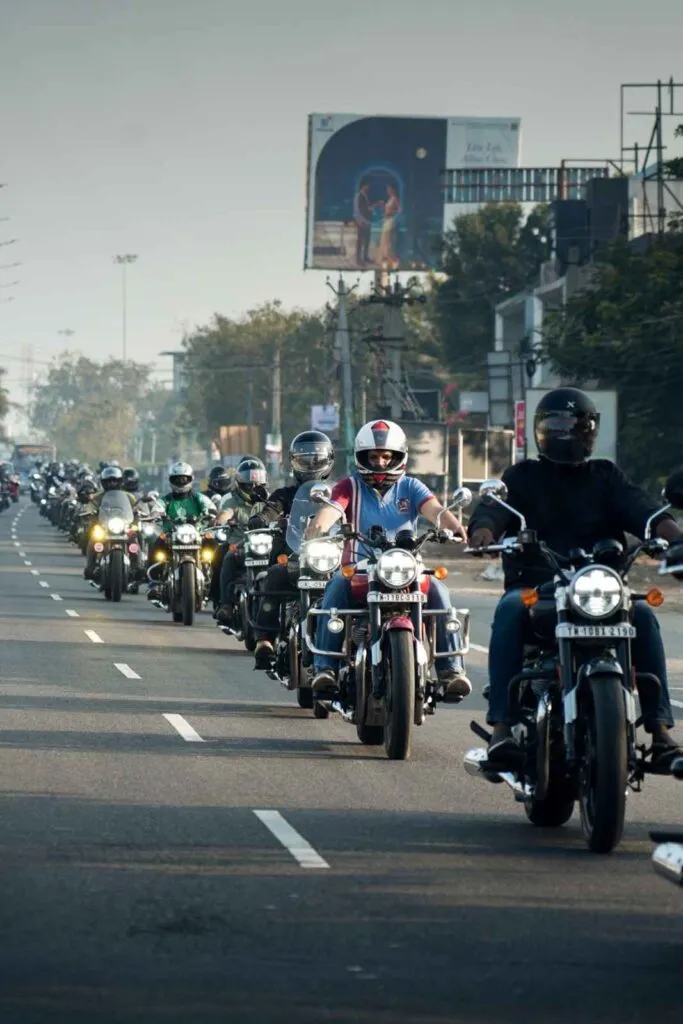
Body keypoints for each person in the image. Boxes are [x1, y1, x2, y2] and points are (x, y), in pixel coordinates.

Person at [467, 386, 683, 766]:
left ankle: (661, 731)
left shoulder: (606, 475)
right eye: (557, 422)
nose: (566, 430)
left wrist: (676, 537)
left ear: (590, 430)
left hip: (600, 587)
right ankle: (501, 726)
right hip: (538, 586)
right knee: (510, 610)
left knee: (645, 616)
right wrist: (484, 531)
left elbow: (645, 510)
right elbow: (494, 509)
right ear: (541, 429)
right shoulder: (522, 476)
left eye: (575, 422)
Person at [306, 419, 471, 702]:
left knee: (439, 591)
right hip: (359, 569)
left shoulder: (411, 487)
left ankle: (451, 670)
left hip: (406, 569)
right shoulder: (350, 487)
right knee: (334, 587)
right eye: (373, 456)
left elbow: (435, 510)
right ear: (362, 457)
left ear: (397, 457)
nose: (380, 463)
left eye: (386, 456)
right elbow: (332, 510)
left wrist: (453, 527)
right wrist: (318, 528)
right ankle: (326, 669)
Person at [251, 431, 336, 669]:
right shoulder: (285, 494)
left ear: (328, 460)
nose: (310, 465)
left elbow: (352, 512)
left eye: (316, 460)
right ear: (293, 462)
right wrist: (262, 517)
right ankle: (264, 640)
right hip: (295, 555)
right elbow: (272, 508)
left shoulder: (338, 493)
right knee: (275, 575)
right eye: (304, 460)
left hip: (332, 558)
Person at [146, 462, 217, 601]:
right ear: (171, 480)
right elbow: (157, 508)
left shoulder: (198, 498)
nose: (180, 482)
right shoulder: (166, 499)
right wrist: (156, 514)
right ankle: (154, 584)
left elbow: (210, 506)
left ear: (191, 479)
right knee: (156, 547)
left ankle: (215, 584)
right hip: (171, 534)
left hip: (198, 534)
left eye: (184, 479)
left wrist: (211, 512)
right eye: (177, 479)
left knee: (215, 549)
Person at [211, 456, 269, 615]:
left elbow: (280, 514)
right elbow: (226, 512)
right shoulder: (231, 499)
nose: (254, 487)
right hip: (237, 544)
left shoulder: (269, 499)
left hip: (265, 545)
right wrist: (222, 519)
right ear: (240, 483)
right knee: (224, 558)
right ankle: (224, 604)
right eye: (249, 485)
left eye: (258, 484)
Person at [83, 466, 137, 579]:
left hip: (124, 525)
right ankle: (90, 567)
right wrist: (88, 512)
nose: (112, 483)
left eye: (114, 480)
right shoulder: (98, 497)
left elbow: (138, 506)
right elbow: (90, 506)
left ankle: (138, 566)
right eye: (108, 481)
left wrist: (141, 511)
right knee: (93, 539)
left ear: (120, 481)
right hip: (104, 526)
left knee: (136, 537)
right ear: (103, 482)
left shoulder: (128, 496)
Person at [376, 184, 402, 270]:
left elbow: (399, 210)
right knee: (384, 239)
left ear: (393, 190)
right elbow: (387, 209)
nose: (388, 191)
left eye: (390, 189)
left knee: (388, 240)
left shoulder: (395, 199)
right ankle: (384, 258)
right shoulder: (390, 199)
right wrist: (383, 206)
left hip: (391, 221)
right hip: (386, 220)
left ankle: (391, 259)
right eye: (387, 190)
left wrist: (392, 213)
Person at [353, 179, 373, 267]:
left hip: (367, 221)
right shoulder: (359, 195)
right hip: (362, 221)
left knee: (367, 240)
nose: (368, 188)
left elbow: (366, 208)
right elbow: (358, 210)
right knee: (360, 241)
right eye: (367, 186)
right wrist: (360, 221)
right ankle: (358, 260)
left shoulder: (365, 195)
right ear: (363, 186)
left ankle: (365, 257)